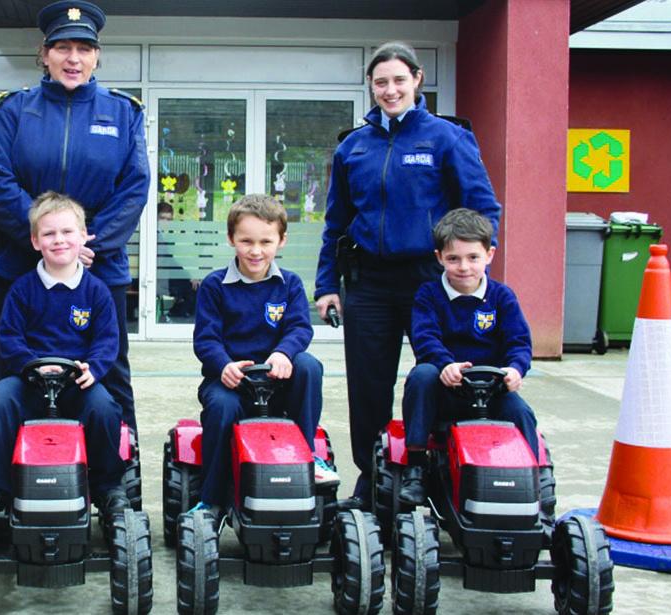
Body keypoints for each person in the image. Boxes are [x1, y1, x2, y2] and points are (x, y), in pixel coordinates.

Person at [313, 41, 502, 505]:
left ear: (417, 79)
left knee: (438, 377)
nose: (390, 90)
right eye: (381, 82)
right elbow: (335, 223)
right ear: (370, 86)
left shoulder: (446, 138)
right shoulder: (353, 147)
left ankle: (434, 476)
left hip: (430, 281)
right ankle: (372, 480)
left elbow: (482, 209)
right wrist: (327, 285)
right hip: (368, 283)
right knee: (368, 388)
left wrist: (471, 271)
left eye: (399, 79)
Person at [0, 0, 150, 433]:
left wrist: (84, 244)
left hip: (99, 261)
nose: (73, 58)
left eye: (84, 48)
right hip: (21, 260)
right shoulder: (15, 110)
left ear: (96, 56)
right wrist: (47, 239)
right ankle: (8, 463)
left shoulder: (124, 112)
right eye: (62, 47)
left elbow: (134, 186)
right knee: (13, 371)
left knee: (109, 372)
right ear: (45, 53)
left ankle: (118, 466)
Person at [0, 192, 128, 519]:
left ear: (83, 237)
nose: (59, 240)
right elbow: (9, 337)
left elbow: (107, 339)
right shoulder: (22, 290)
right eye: (49, 233)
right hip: (30, 382)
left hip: (77, 384)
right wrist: (30, 366)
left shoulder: (96, 291)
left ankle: (107, 487)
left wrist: (93, 368)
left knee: (105, 407)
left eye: (67, 232)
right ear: (35, 241)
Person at [189, 195, 339, 517]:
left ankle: (307, 454)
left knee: (308, 365)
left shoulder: (290, 284)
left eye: (265, 242)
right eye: (246, 241)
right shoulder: (215, 285)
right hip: (230, 382)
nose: (256, 251)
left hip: (277, 379)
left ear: (281, 241)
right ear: (231, 239)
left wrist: (283, 353)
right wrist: (224, 365)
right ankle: (212, 498)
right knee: (222, 407)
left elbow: (299, 328)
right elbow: (206, 339)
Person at [398, 209, 534, 505]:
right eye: (453, 259)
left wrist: (515, 369)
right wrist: (445, 364)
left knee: (521, 412)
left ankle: (536, 485)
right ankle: (416, 468)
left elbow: (519, 342)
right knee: (422, 376)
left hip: (492, 391)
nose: (464, 267)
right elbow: (425, 337)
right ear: (439, 258)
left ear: (489, 254)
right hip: (446, 391)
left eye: (473, 257)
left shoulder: (502, 297)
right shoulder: (429, 295)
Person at [157, 201, 198, 319]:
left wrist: (188, 275)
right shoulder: (153, 236)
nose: (166, 222)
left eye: (169, 219)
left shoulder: (161, 235)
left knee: (193, 286)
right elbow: (166, 261)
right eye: (162, 218)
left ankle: (177, 312)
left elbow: (170, 260)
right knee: (193, 288)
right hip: (159, 277)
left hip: (165, 274)